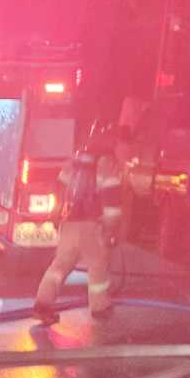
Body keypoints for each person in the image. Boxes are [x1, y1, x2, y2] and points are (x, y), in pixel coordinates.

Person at [32, 125, 125, 324]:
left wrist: (56, 216)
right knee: (98, 266)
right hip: (92, 226)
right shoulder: (108, 164)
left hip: (69, 224)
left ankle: (42, 305)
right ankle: (100, 307)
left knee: (59, 267)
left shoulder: (74, 161)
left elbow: (59, 189)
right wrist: (111, 229)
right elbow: (111, 199)